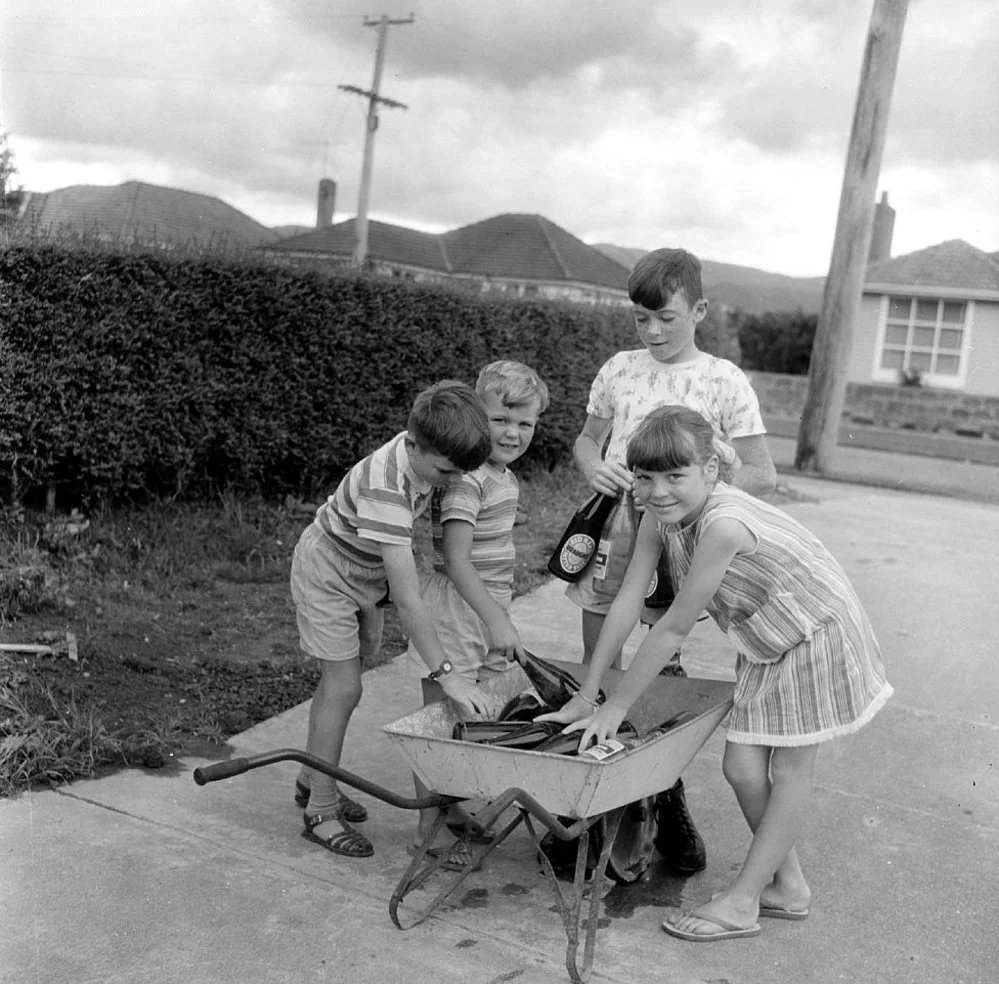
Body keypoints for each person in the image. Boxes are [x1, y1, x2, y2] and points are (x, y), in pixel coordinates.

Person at [541, 406, 893, 942]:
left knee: (791, 771)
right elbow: (628, 599)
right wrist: (589, 694)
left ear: (711, 470)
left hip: (816, 633)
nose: (658, 491)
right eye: (645, 477)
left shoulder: (723, 526)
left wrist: (617, 707)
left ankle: (744, 902)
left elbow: (673, 629)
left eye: (675, 476)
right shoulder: (657, 515)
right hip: (767, 639)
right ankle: (788, 887)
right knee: (743, 770)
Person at [567, 246, 777, 874]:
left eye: (667, 318)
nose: (652, 332)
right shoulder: (619, 369)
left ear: (700, 311)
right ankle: (586, 814)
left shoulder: (723, 379)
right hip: (616, 533)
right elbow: (586, 439)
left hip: (678, 536)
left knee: (662, 677)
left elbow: (762, 471)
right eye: (641, 319)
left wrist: (705, 499)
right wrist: (592, 463)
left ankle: (665, 805)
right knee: (597, 666)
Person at [290, 380, 494, 859]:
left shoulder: (432, 460)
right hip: (330, 572)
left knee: (343, 681)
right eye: (446, 470)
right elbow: (408, 600)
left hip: (365, 574)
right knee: (343, 687)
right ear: (412, 443)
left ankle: (310, 774)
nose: (452, 480)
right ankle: (319, 809)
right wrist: (449, 676)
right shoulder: (387, 485)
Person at [405, 360, 549, 868]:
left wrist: (497, 614)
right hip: (455, 606)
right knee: (441, 716)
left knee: (478, 712)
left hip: (486, 606)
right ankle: (428, 825)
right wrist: (496, 619)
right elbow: (456, 560)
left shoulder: (503, 478)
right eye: (500, 419)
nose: (512, 432)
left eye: (525, 423)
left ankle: (451, 806)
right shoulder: (469, 482)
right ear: (475, 418)